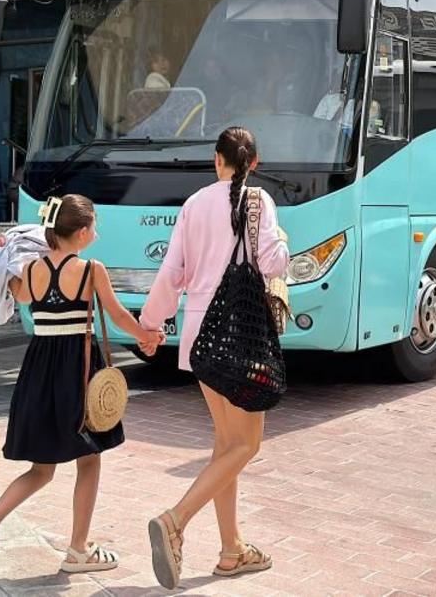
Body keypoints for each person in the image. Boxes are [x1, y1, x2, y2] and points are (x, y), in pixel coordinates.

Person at [0, 195, 164, 581]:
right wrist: (148, 337)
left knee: (42, 469)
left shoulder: (32, 271)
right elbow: (118, 315)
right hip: (77, 369)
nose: (96, 233)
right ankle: (78, 549)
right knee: (89, 457)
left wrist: (5, 249)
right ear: (82, 232)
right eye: (94, 226)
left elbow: (15, 291)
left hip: (39, 369)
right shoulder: (90, 269)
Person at [140, 127, 289, 589]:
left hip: (200, 338)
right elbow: (274, 263)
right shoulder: (259, 202)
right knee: (246, 446)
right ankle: (175, 520)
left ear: (217, 159)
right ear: (255, 162)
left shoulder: (194, 204)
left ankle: (231, 551)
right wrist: (280, 236)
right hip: (241, 337)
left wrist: (152, 324)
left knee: (226, 447)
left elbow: (173, 271)